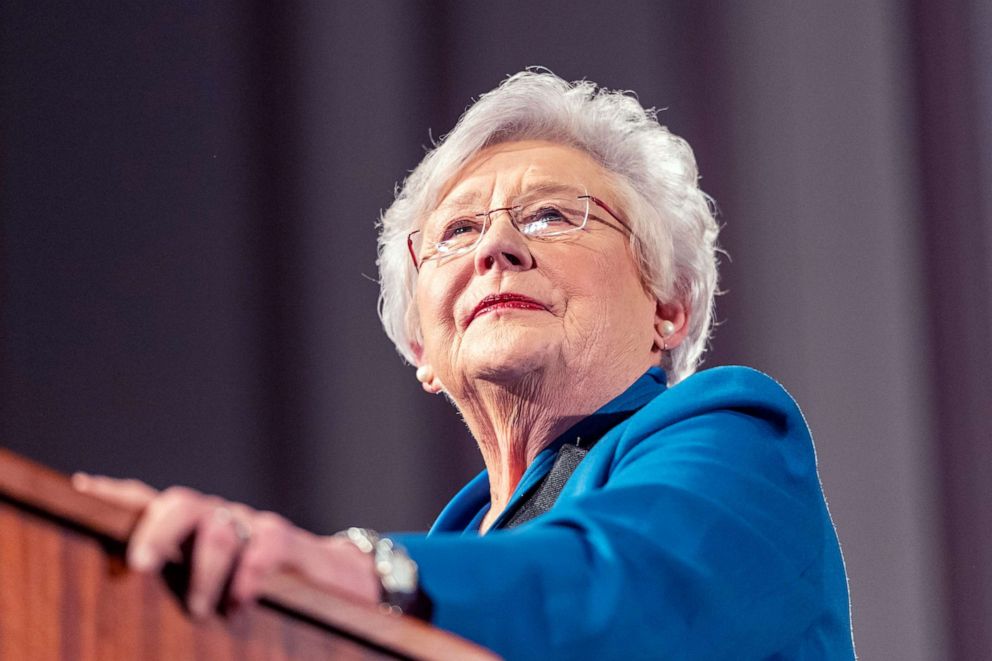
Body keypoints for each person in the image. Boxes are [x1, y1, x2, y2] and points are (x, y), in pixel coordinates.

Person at [74, 70, 855, 659]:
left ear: (668, 308)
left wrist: (358, 570)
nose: (495, 248)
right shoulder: (457, 545)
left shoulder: (737, 437)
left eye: (553, 214)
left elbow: (621, 581)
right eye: (457, 232)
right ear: (422, 348)